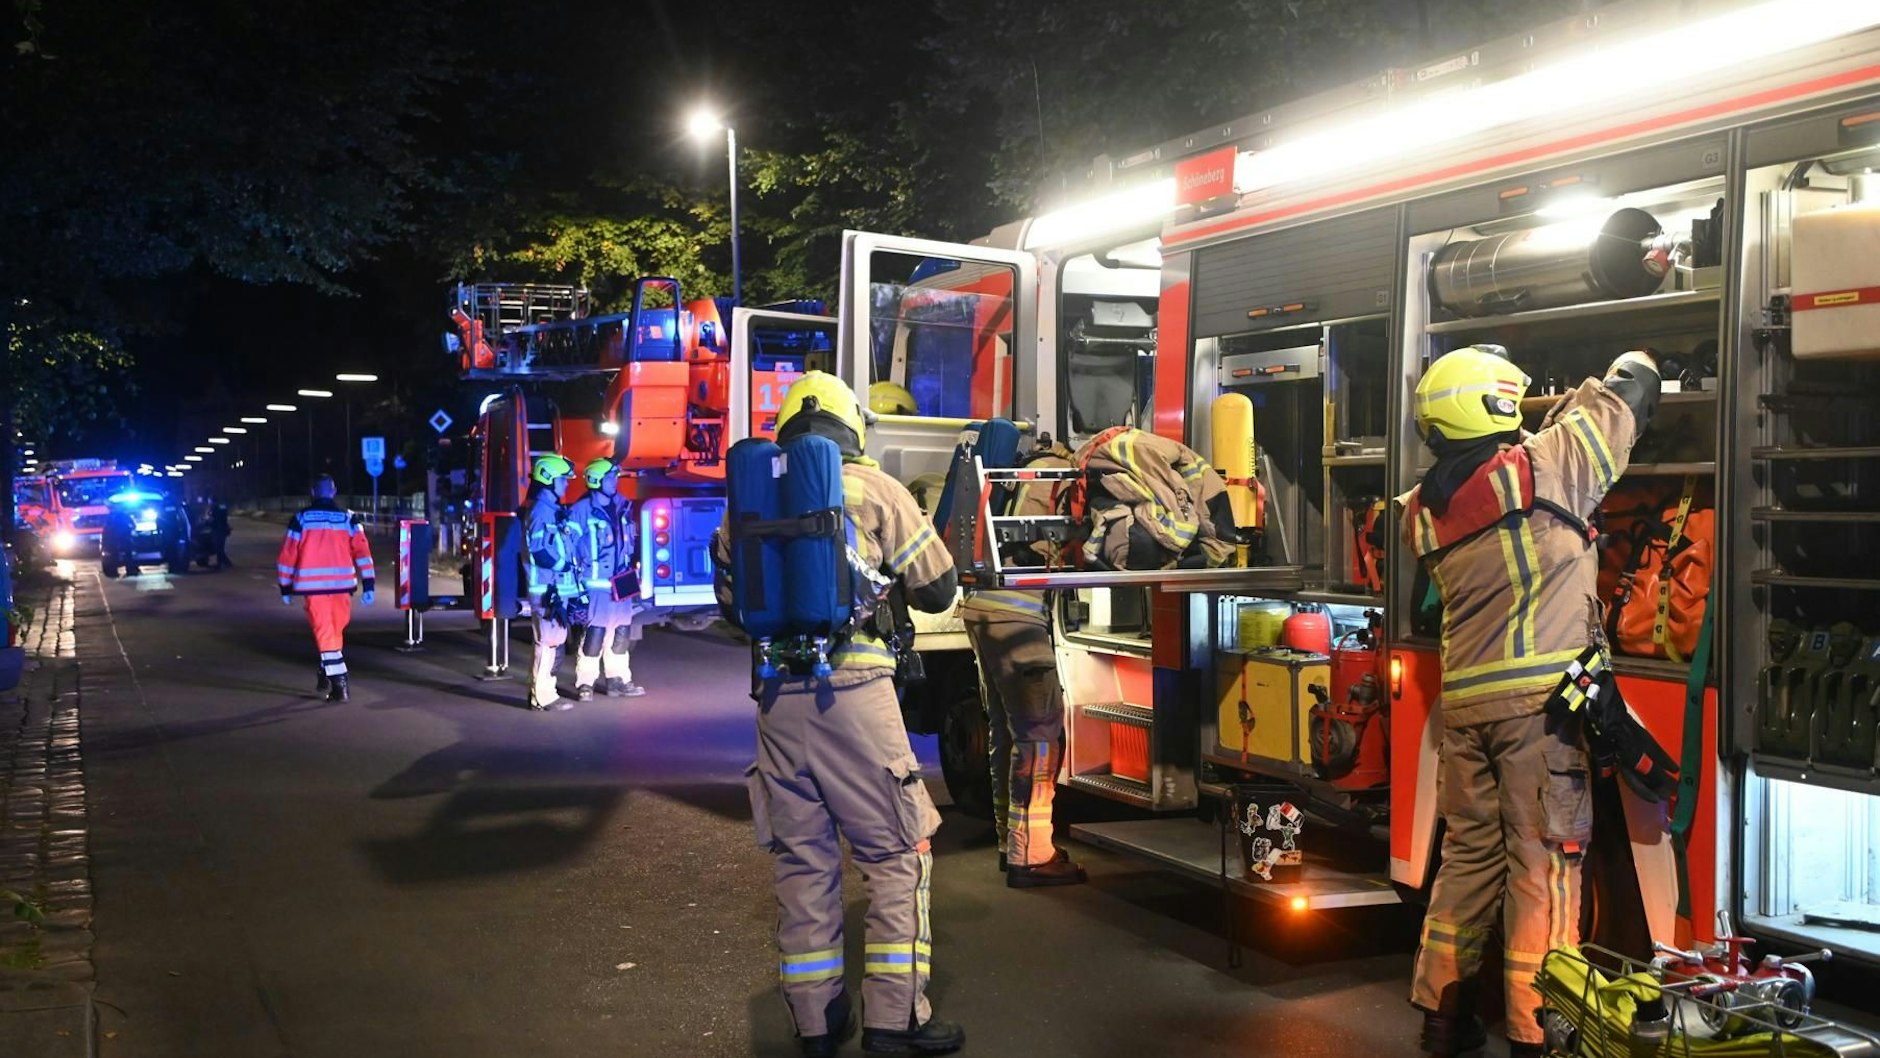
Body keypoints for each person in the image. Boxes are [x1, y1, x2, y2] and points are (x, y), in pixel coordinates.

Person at [1399, 345, 1660, 1058]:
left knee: (1469, 862)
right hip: (1540, 712)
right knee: (1545, 866)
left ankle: (1442, 1016)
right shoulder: (1549, 465)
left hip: (1465, 713)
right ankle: (1539, 1030)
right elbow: (1635, 381)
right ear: (1499, 405)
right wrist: (1574, 396)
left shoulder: (1421, 510)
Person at [716, 372, 964, 1057]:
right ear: (853, 427)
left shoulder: (747, 501)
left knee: (802, 862)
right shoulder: (876, 488)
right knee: (895, 855)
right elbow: (939, 588)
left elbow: (733, 606)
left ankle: (816, 1022)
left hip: (775, 700)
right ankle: (895, 1019)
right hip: (855, 697)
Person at [958, 441, 1085, 888]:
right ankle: (1031, 856)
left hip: (982, 609)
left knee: (1004, 733)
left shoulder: (1009, 470)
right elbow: (1046, 539)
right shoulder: (1056, 474)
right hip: (1017, 616)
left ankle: (1008, 842)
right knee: (1040, 741)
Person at [277, 474, 376, 702]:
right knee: (333, 634)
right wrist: (368, 584)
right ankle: (326, 671)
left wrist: (285, 586)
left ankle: (340, 681)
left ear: (312, 492)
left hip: (314, 590)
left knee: (326, 635)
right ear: (333, 492)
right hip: (342, 588)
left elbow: (287, 555)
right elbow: (363, 553)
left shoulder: (301, 519)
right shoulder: (349, 519)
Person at [569, 457, 644, 699]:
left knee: (621, 633)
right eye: (610, 478)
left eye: (615, 477)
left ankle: (618, 680)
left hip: (623, 582)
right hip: (596, 585)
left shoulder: (624, 505)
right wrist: (573, 585)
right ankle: (585, 683)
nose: (615, 482)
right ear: (596, 481)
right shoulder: (580, 510)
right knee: (595, 634)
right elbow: (569, 547)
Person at [521, 453, 587, 711]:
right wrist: (565, 566)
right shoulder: (540, 511)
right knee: (546, 643)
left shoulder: (550, 510)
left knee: (552, 642)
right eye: (563, 479)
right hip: (547, 588)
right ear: (549, 479)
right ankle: (542, 696)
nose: (567, 484)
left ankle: (541, 693)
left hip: (555, 588)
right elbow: (540, 551)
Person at [208, 495, 232, 569]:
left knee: (218, 547)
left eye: (210, 502)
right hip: (223, 529)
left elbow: (213, 519)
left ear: (213, 501)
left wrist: (208, 520)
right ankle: (224, 562)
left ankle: (223, 563)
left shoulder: (214, 508)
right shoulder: (222, 507)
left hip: (218, 530)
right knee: (220, 547)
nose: (209, 503)